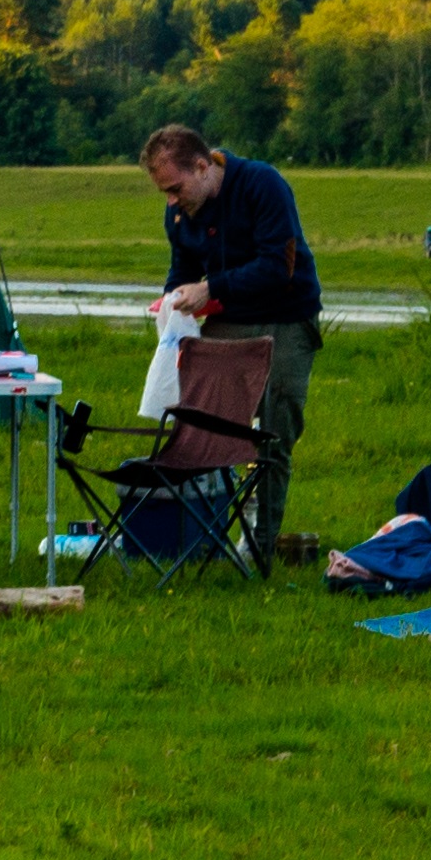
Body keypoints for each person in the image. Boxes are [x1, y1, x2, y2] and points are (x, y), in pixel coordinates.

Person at [142, 123, 322, 563]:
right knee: (207, 426)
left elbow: (278, 266)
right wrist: (174, 299)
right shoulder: (181, 212)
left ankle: (259, 546)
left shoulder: (261, 184)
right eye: (163, 192)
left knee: (272, 435)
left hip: (285, 315)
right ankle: (208, 531)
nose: (170, 200)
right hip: (228, 317)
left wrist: (212, 288)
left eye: (175, 188)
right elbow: (181, 267)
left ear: (203, 166)